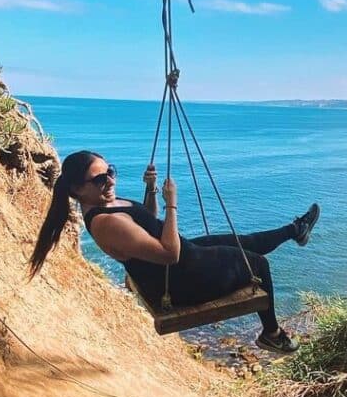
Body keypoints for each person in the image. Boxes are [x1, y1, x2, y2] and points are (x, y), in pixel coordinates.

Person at [28, 150, 320, 353]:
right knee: (256, 264)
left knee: (242, 242)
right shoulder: (105, 223)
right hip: (179, 280)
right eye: (100, 179)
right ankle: (271, 335)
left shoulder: (107, 203)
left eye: (110, 172)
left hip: (183, 261)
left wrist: (152, 189)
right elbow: (169, 254)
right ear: (78, 190)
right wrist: (173, 203)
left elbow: (147, 219)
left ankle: (295, 230)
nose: (111, 181)